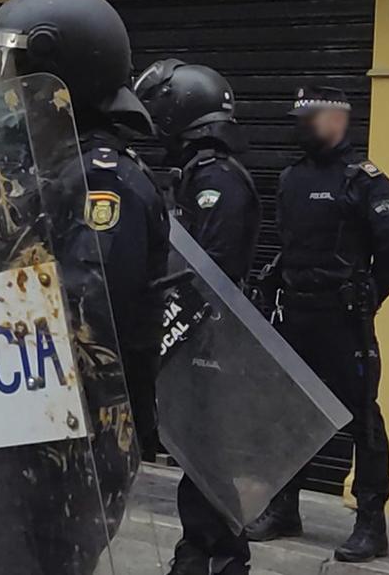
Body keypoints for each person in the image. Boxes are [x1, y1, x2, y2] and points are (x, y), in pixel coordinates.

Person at [0, 0, 167, 574]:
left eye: (13, 75)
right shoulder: (42, 173)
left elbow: (89, 308)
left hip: (74, 440)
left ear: (59, 83)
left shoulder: (103, 182)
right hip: (22, 427)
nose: (1, 95)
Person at [244, 87, 389, 563]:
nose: (300, 125)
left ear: (336, 121)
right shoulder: (292, 177)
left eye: (309, 117)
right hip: (296, 315)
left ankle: (371, 525)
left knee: (363, 422)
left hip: (344, 322)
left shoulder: (367, 182)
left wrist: (364, 301)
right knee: (289, 415)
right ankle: (283, 508)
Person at [135, 59, 261, 575]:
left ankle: (220, 557)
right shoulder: (195, 174)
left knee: (207, 458)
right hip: (194, 339)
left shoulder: (219, 180)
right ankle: (200, 552)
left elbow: (210, 270)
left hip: (210, 342)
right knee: (196, 456)